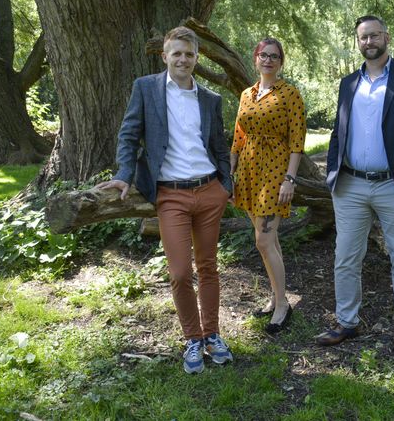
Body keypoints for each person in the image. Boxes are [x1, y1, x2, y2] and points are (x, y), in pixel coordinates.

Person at [95, 26, 234, 374]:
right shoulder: (146, 89)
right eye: (177, 53)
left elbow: (219, 146)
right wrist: (124, 174)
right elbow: (129, 134)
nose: (183, 59)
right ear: (165, 56)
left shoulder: (210, 99)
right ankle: (192, 338)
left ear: (196, 58)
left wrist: (225, 186)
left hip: (209, 191)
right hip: (170, 194)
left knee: (208, 267)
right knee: (179, 272)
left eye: (189, 54)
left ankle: (212, 334)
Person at [316, 15, 394, 360]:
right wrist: (333, 176)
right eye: (362, 37)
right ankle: (347, 321)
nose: (369, 41)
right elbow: (339, 131)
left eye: (374, 35)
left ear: (386, 36)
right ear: (358, 42)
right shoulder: (348, 83)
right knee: (345, 257)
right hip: (350, 185)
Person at [230, 38, 306, 334]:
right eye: (264, 55)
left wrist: (290, 178)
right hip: (249, 172)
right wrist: (231, 166)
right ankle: (275, 296)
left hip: (275, 172)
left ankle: (284, 304)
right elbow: (239, 134)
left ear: (281, 62)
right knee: (268, 241)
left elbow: (298, 140)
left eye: (275, 56)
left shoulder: (289, 94)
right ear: (256, 59)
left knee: (263, 240)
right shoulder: (247, 93)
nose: (269, 60)